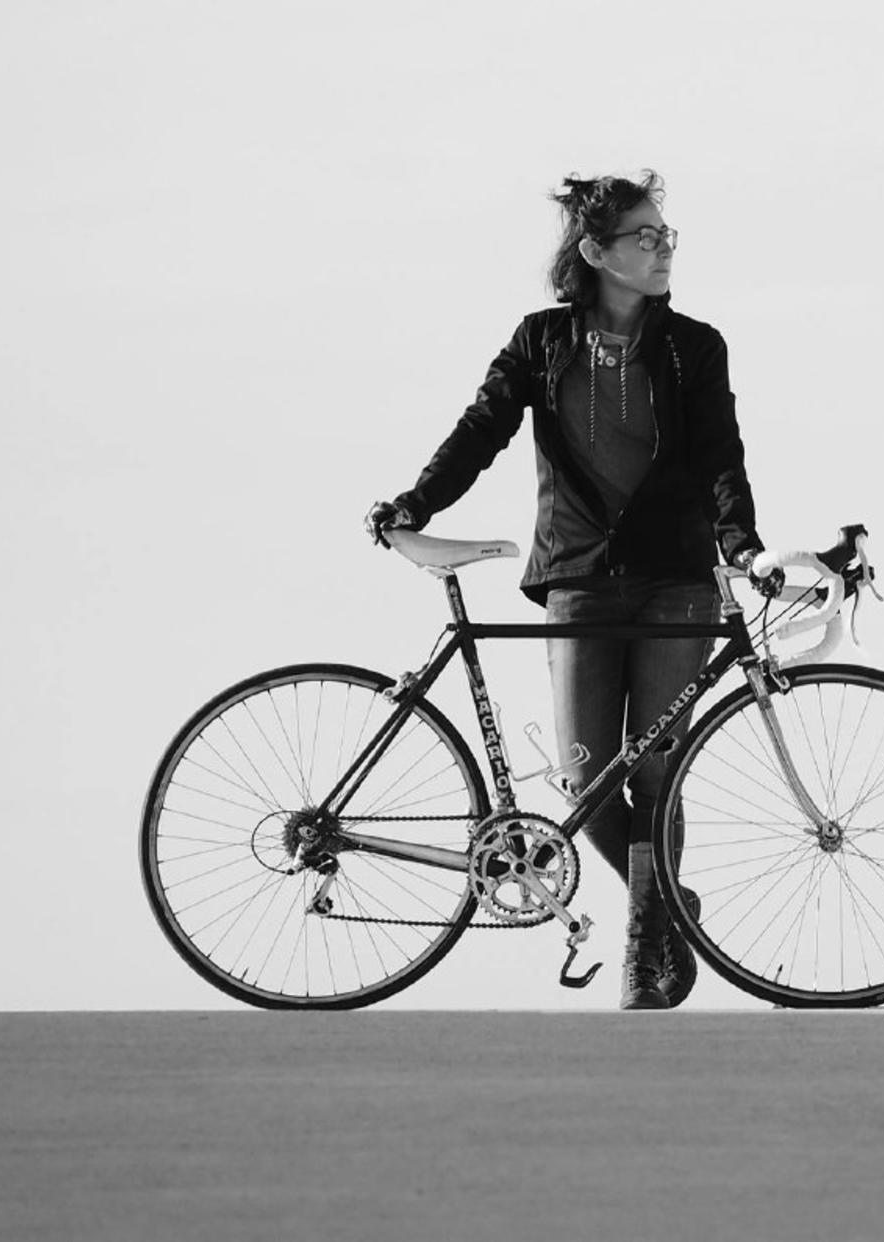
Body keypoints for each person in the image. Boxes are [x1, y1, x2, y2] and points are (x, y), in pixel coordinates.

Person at [364, 170, 774, 1010]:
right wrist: (415, 503)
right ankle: (670, 907)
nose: (663, 250)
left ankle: (643, 955)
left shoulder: (695, 346)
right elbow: (482, 429)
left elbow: (719, 456)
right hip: (578, 579)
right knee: (585, 786)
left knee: (659, 772)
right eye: (645, 238)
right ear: (595, 252)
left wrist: (744, 545)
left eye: (667, 237)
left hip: (677, 583)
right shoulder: (541, 341)